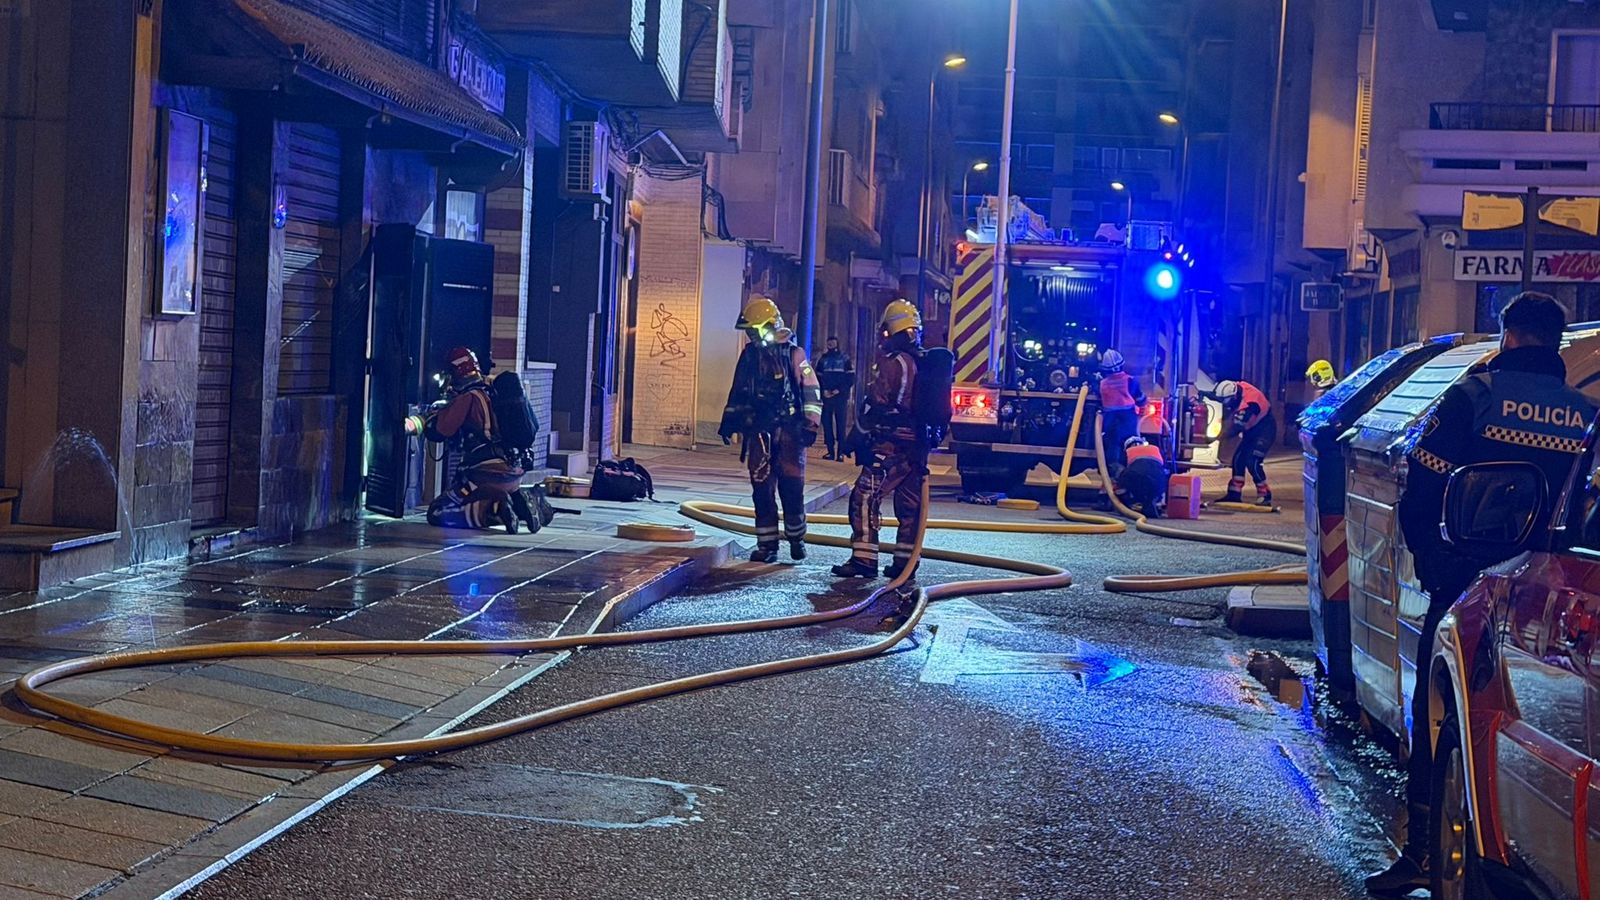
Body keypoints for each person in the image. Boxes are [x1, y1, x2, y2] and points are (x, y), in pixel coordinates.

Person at [1367, 291, 1593, 896]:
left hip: (1470, 581)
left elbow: (1421, 484)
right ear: (1557, 344)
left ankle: (1423, 855)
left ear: (1509, 336)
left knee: (1444, 720)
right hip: (1547, 585)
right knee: (1514, 729)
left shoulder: (1474, 397)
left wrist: (1436, 561)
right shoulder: (1583, 414)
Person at [832, 300, 928, 605]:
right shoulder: (922, 362)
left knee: (863, 497)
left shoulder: (894, 362)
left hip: (890, 446)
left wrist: (855, 437)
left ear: (890, 330)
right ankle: (905, 564)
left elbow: (879, 404)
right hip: (916, 448)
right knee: (910, 508)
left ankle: (864, 560)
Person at [718, 297, 823, 563]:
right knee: (761, 489)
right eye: (750, 332)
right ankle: (767, 545)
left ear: (770, 325)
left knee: (792, 488)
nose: (753, 336)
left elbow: (811, 390)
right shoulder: (750, 355)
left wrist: (810, 424)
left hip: (789, 433)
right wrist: (729, 422)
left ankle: (796, 537)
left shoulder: (795, 354)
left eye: (756, 330)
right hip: (760, 432)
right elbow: (739, 389)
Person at [406, 347, 525, 531]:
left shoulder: (467, 398)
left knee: (437, 512)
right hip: (512, 471)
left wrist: (426, 419)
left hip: (484, 474)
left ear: (457, 373)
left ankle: (493, 511)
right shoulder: (492, 391)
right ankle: (522, 504)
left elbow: (442, 429)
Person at [1214, 379, 1275, 505]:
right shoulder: (1237, 388)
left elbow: (1236, 427)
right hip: (1252, 429)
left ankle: (1265, 494)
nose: (1227, 405)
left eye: (1228, 401)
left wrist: (1217, 437)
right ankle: (1234, 493)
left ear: (1234, 396)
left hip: (1264, 430)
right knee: (1238, 459)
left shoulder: (1250, 405)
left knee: (1252, 461)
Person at [1096, 349, 1146, 472]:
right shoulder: (1129, 380)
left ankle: (1112, 472)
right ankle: (1129, 470)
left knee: (1112, 442)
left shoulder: (1102, 383)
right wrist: (1143, 408)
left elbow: (1098, 398)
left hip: (1109, 418)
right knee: (1130, 442)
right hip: (1127, 416)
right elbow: (1140, 398)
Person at [816, 336, 856, 460]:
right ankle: (830, 451)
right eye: (829, 343)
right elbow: (818, 377)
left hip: (840, 397)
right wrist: (824, 391)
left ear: (837, 343)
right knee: (827, 425)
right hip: (826, 397)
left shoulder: (845, 359)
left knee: (841, 425)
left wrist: (839, 390)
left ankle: (841, 453)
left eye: (832, 343)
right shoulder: (823, 359)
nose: (830, 345)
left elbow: (850, 378)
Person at [1115, 437, 1167, 518]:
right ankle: (1151, 502)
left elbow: (1122, 469)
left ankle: (1125, 505)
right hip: (1159, 479)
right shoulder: (1154, 449)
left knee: (1122, 479)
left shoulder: (1128, 452)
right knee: (1154, 484)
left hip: (1137, 477)